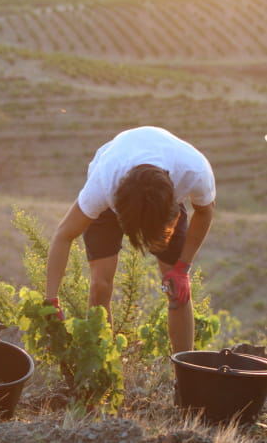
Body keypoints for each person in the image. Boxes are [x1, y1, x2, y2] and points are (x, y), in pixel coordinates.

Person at [45, 126, 215, 353]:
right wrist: (51, 300)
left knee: (177, 289)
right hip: (116, 196)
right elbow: (63, 235)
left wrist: (183, 268)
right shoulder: (103, 185)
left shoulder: (194, 169)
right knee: (100, 285)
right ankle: (103, 372)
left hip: (160, 200)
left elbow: (205, 211)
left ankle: (184, 379)